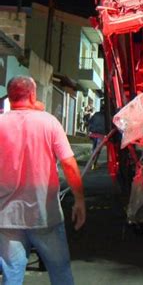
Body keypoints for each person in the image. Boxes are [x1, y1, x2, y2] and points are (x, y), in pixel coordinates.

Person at [0, 76, 86, 285]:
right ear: (32, 94)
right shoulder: (49, 122)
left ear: (10, 97)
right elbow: (69, 164)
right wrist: (79, 200)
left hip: (6, 217)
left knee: (12, 274)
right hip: (44, 214)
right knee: (60, 271)